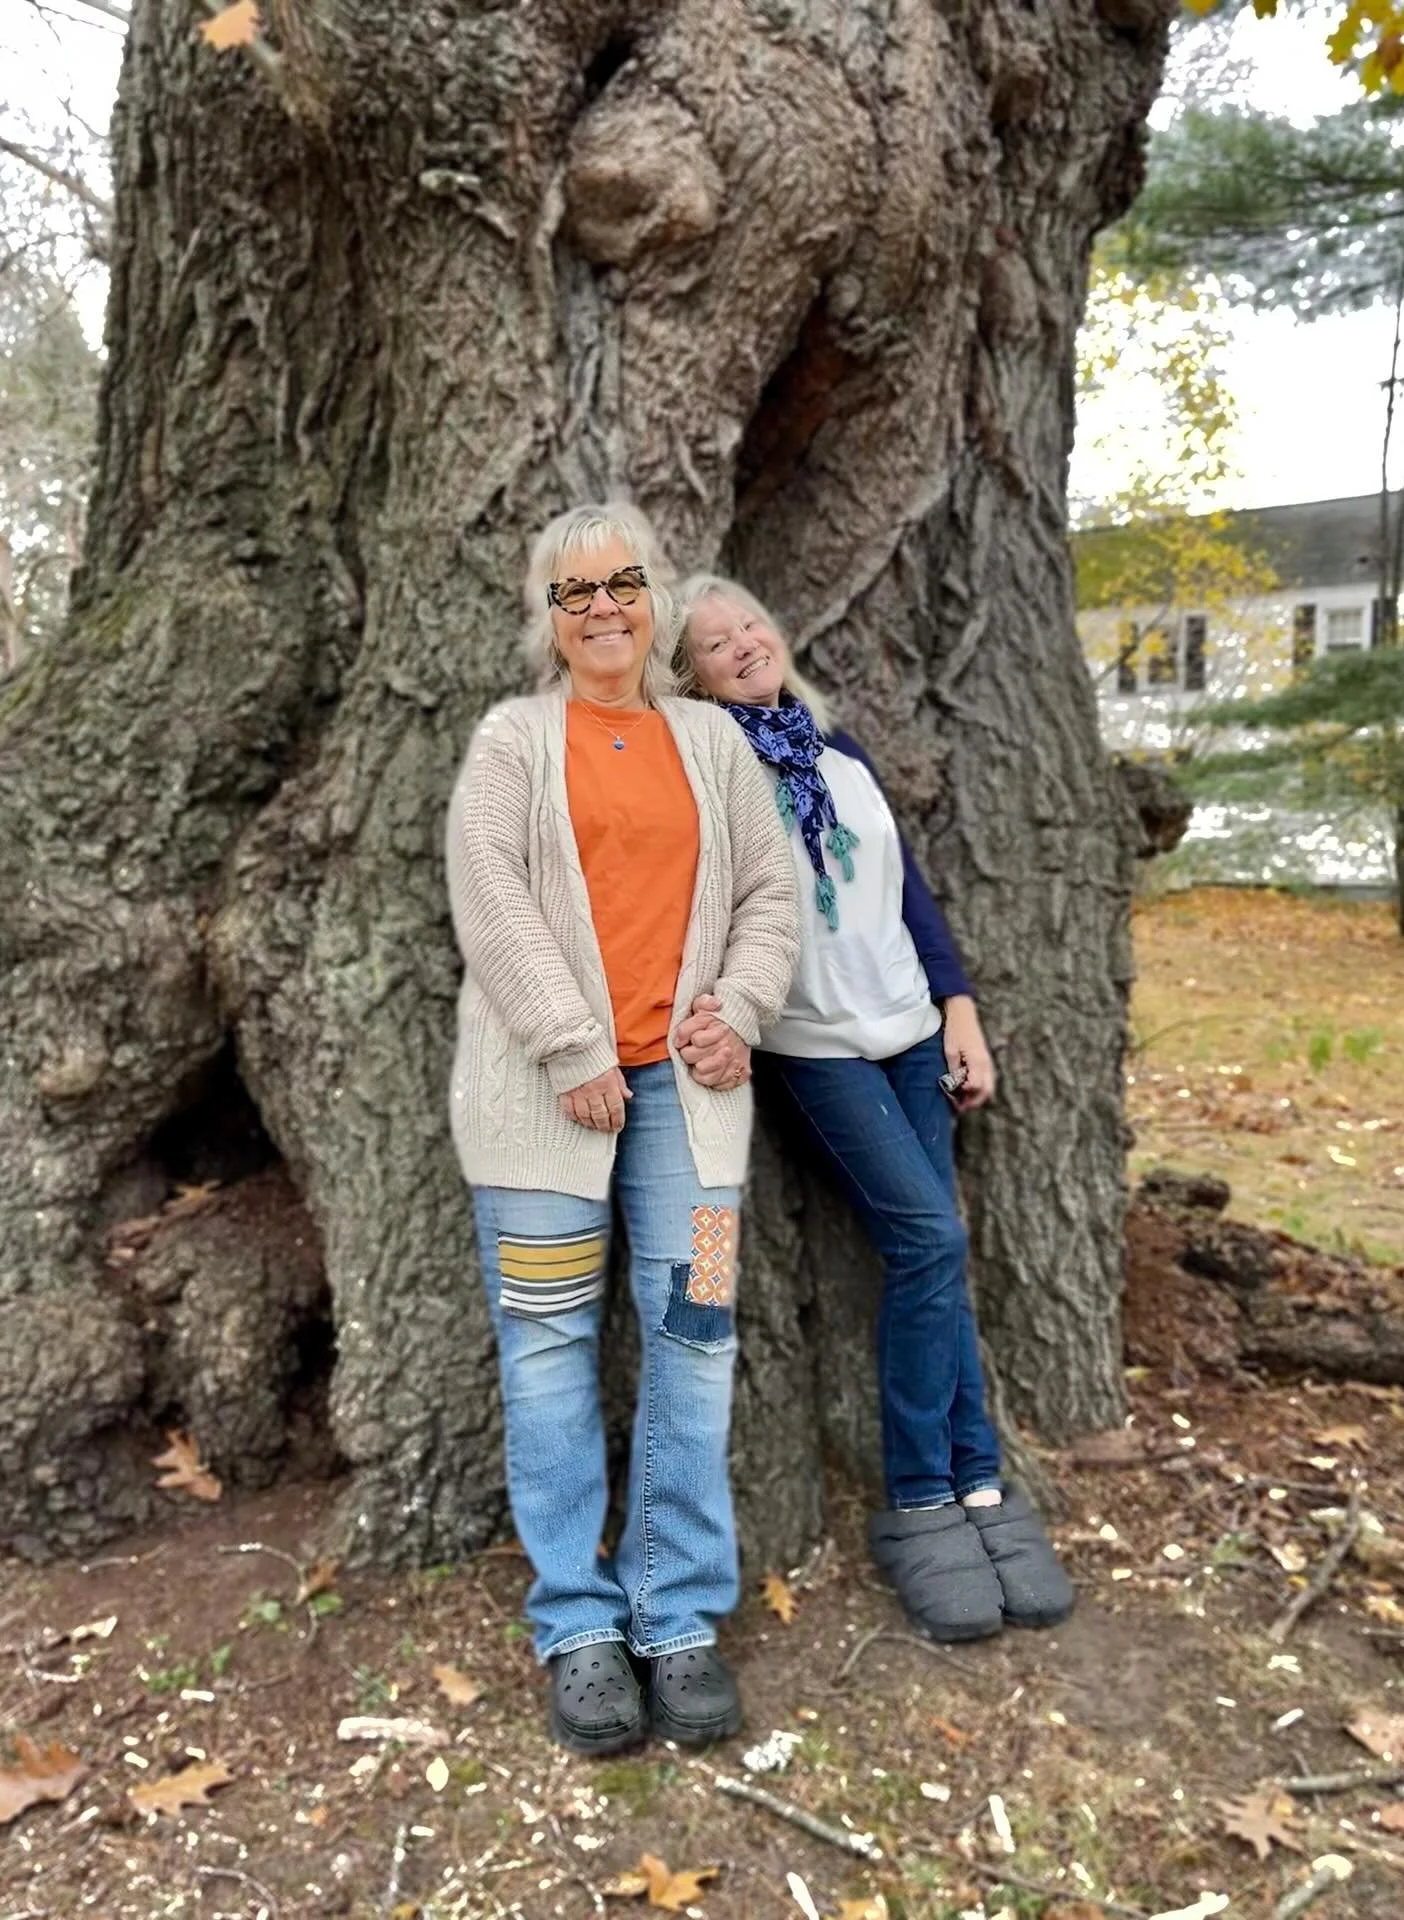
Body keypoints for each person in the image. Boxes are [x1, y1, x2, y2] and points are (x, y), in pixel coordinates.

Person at [445, 507, 799, 1755]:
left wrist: (741, 1010)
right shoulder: (512, 742)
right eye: (573, 590)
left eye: (623, 584)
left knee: (698, 1331)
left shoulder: (708, 740)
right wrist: (572, 1043)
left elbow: (771, 890)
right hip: (545, 1112)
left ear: (653, 603)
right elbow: (487, 895)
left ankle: (677, 1614)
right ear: (546, 616)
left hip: (694, 1118)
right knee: (546, 1347)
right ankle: (579, 1626)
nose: (602, 608)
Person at [678, 574, 1073, 1643]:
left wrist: (960, 1008)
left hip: (909, 1033)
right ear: (693, 677)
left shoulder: (838, 756)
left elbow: (906, 895)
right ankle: (923, 1493)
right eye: (716, 644)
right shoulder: (711, 778)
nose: (746, 644)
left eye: (753, 623)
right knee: (931, 1236)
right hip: (817, 1052)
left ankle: (979, 1485)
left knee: (933, 1254)